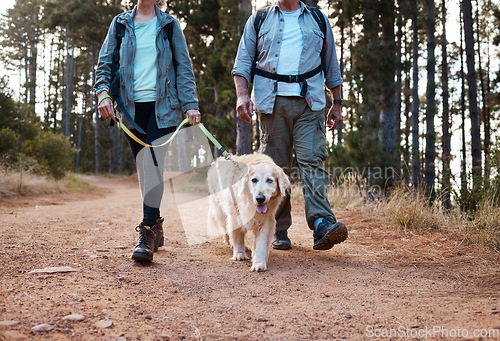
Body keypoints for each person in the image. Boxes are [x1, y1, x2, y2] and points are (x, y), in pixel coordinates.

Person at [232, 0, 347, 251]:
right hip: (272, 103)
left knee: (312, 160)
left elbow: (331, 66)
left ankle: (321, 223)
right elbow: (242, 63)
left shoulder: (318, 19)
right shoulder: (259, 19)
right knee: (275, 167)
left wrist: (337, 102)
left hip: (311, 103)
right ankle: (277, 228)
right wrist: (242, 96)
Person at [94, 0, 201, 263]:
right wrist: (102, 94)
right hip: (130, 109)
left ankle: (147, 232)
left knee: (153, 165)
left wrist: (191, 105)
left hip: (163, 108)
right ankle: (158, 222)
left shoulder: (169, 25)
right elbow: (105, 63)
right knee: (145, 171)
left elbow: (183, 67)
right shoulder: (120, 24)